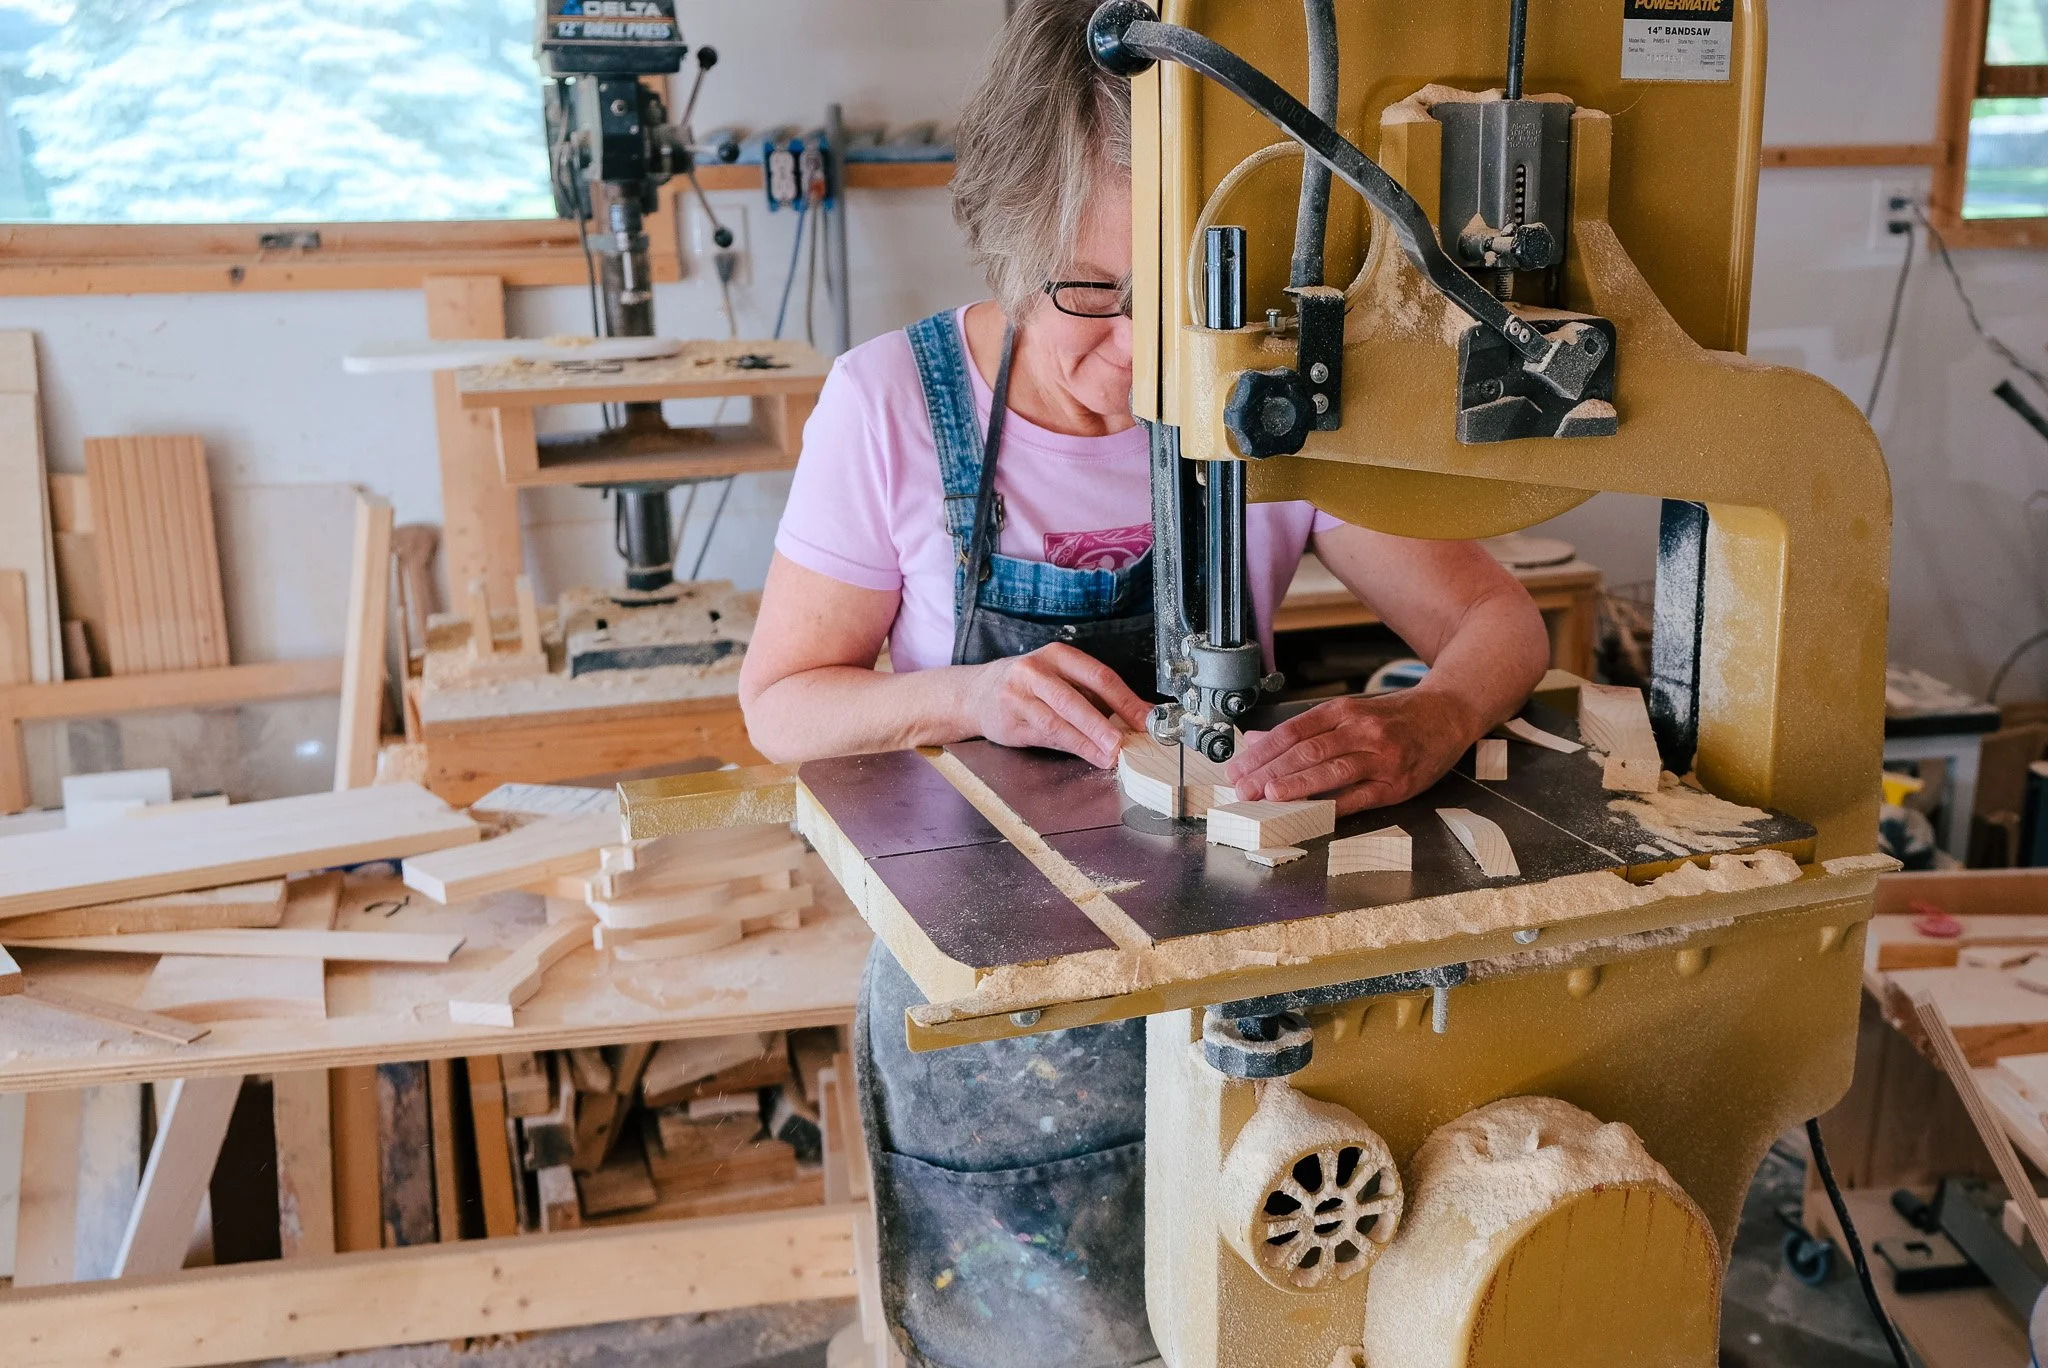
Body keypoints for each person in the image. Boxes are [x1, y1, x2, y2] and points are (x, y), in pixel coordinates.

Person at [738, 2, 1550, 1363]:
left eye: (1177, 308)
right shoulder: (890, 405)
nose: (1137, 358)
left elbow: (1496, 618)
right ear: (1013, 238)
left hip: (1241, 994)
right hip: (1000, 1040)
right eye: (1093, 297)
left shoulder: (1267, 399)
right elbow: (782, 704)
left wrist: (1437, 714)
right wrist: (971, 698)